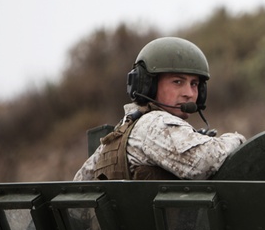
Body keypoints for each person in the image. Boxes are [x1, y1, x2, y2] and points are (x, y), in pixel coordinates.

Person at [75, 37, 246, 181]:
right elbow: (202, 163)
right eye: (177, 82)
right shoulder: (155, 123)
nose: (189, 93)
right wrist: (236, 139)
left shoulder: (124, 129)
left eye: (194, 84)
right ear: (148, 85)